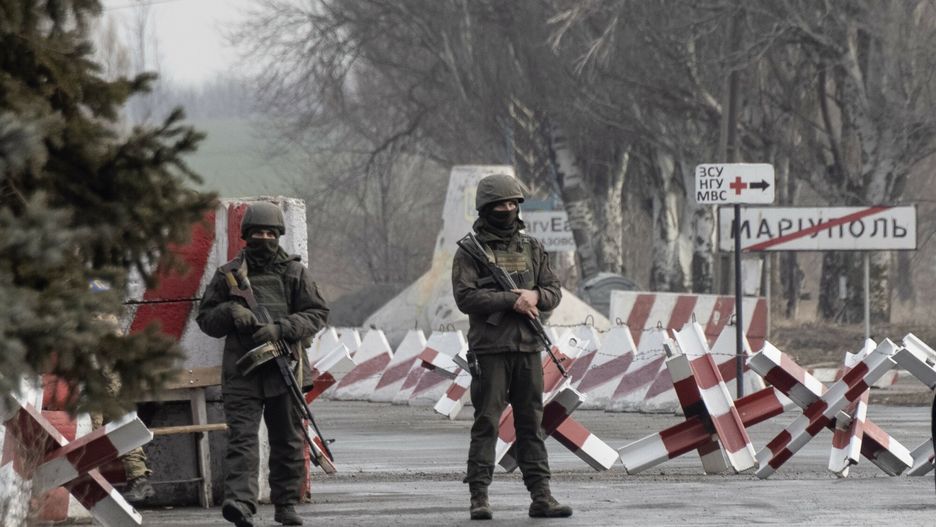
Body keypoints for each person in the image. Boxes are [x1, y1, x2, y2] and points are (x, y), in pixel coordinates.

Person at [196, 202, 329, 527]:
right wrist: (230, 312)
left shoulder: (294, 272)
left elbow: (317, 313)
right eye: (258, 232)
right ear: (246, 235)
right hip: (243, 370)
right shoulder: (229, 275)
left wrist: (281, 328)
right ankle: (240, 502)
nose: (264, 238)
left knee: (287, 439)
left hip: (285, 366)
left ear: (280, 235)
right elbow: (206, 319)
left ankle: (285, 504)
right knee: (242, 438)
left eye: (271, 233)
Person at [451, 174, 573, 520]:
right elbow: (466, 297)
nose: (507, 209)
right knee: (487, 422)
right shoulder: (471, 251)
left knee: (531, 424)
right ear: (486, 208)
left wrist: (535, 296)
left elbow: (553, 290)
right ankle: (479, 497)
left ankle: (541, 496)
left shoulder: (532, 247)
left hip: (527, 348)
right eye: (501, 205)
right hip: (490, 350)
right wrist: (510, 300)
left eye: (512, 204)